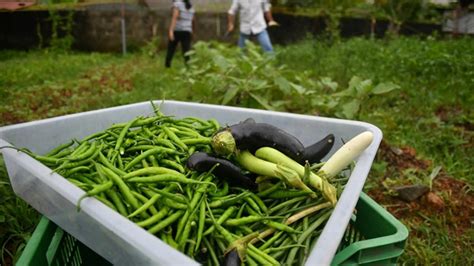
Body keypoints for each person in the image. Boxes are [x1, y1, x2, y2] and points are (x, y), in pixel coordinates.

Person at [165, 0, 195, 68]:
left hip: (177, 30)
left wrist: (171, 30)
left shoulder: (177, 4)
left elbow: (174, 17)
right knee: (186, 51)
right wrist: (192, 31)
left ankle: (167, 66)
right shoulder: (191, 6)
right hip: (187, 31)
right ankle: (189, 68)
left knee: (171, 49)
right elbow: (193, 21)